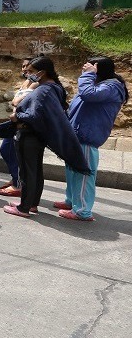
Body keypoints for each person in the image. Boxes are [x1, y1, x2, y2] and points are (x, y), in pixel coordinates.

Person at [3, 57, 89, 218]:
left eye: (31, 71)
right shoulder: (55, 88)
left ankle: (24, 207)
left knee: (28, 173)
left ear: (41, 73)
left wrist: (17, 116)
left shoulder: (43, 90)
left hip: (28, 135)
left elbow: (34, 115)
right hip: (39, 136)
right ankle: (32, 203)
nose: (28, 74)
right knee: (35, 171)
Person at [56, 57, 128, 221]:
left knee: (83, 175)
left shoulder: (111, 87)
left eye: (90, 68)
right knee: (72, 172)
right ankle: (72, 201)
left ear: (98, 70)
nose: (85, 70)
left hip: (87, 138)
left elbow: (88, 95)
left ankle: (82, 210)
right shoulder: (99, 84)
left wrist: (88, 75)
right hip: (77, 135)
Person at [0, 57, 39, 197]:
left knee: (12, 152)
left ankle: (18, 184)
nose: (25, 69)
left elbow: (17, 101)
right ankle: (15, 178)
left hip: (24, 124)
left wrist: (17, 100)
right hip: (16, 122)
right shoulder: (28, 82)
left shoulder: (36, 83)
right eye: (23, 67)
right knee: (6, 150)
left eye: (29, 67)